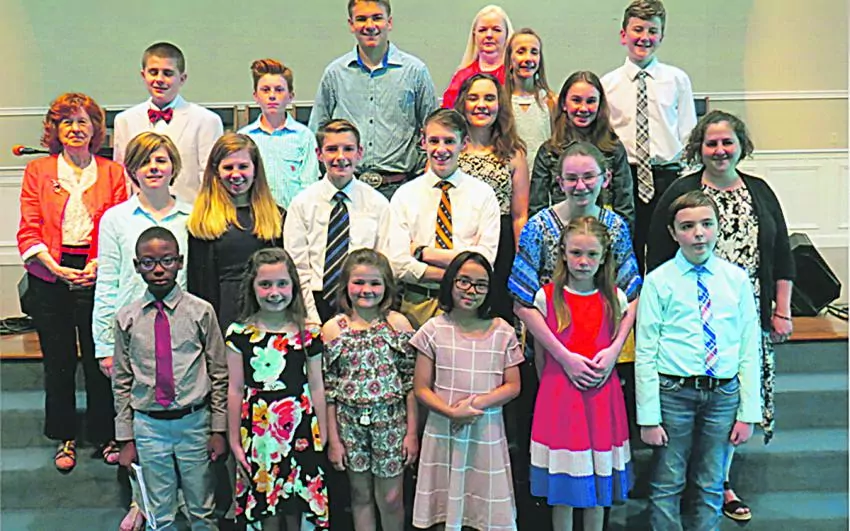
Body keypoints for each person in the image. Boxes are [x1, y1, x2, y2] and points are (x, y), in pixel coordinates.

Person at [645, 110, 796, 522]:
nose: (720, 150)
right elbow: (657, 255)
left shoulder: (759, 191)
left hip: (743, 316)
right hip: (688, 323)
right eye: (711, 143)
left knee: (730, 406)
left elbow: (782, 253)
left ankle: (720, 482)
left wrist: (781, 310)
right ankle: (690, 483)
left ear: (741, 146)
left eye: (727, 142)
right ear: (699, 148)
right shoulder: (682, 191)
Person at [509, 142, 641, 500]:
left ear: (605, 178)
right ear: (559, 181)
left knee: (597, 444)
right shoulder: (539, 226)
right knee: (556, 444)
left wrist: (614, 351)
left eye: (588, 177)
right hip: (550, 354)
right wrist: (563, 356)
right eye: (571, 178)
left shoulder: (615, 226)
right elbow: (522, 302)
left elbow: (631, 295)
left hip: (600, 352)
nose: (580, 185)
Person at [636, 191, 761, 530]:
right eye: (687, 226)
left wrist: (748, 412)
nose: (699, 233)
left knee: (711, 480)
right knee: (668, 480)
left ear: (718, 227)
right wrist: (648, 417)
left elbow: (749, 348)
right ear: (673, 232)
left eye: (707, 224)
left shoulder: (736, 280)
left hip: (723, 394)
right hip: (673, 392)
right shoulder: (659, 282)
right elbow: (645, 351)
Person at [16, 92, 127, 473]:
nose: (76, 128)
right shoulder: (39, 170)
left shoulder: (112, 172)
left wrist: (97, 264)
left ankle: (105, 433)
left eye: (83, 121)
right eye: (67, 122)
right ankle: (64, 433)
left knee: (101, 359)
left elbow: (116, 225)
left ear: (95, 129)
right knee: (59, 361)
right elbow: (29, 227)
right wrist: (56, 268)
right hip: (49, 273)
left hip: (99, 270)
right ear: (55, 129)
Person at [92, 132, 192, 531]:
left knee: (180, 422)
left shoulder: (191, 215)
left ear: (173, 167)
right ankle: (142, 501)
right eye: (145, 161)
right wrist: (104, 344)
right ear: (132, 169)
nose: (153, 167)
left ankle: (182, 500)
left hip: (180, 333)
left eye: (161, 160)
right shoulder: (116, 219)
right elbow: (108, 282)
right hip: (133, 333)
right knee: (139, 423)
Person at [112, 227, 228, 530]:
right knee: (159, 513)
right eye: (148, 262)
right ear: (137, 266)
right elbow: (121, 380)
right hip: (148, 426)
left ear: (180, 262)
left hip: (194, 422)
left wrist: (218, 428)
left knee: (202, 508)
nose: (159, 269)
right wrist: (125, 437)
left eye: (167, 260)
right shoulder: (127, 318)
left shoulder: (201, 312)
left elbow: (219, 372)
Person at [530, 216, 632, 531]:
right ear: (562, 253)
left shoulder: (615, 298)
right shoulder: (546, 297)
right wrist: (552, 393)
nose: (583, 262)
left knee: (597, 487)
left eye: (591, 254)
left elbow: (616, 349)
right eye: (576, 253)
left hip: (601, 401)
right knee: (562, 489)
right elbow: (541, 357)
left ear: (604, 257)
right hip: (559, 400)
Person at [411, 251, 523, 530]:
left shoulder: (503, 331)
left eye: (480, 285)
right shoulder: (433, 329)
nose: (471, 290)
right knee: (444, 506)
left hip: (485, 429)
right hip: (444, 428)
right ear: (450, 282)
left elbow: (513, 385)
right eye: (463, 281)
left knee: (483, 505)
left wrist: (475, 405)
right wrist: (451, 412)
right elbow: (421, 388)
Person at [225, 248, 329, 529]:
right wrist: (234, 440)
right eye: (265, 284)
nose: (274, 292)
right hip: (259, 435)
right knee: (266, 507)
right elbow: (235, 389)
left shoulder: (310, 334)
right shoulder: (239, 334)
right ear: (252, 287)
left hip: (302, 432)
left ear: (294, 285)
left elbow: (317, 386)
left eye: (282, 283)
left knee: (296, 505)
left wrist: (323, 435)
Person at [322, 249, 418, 531]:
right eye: (359, 282)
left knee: (391, 498)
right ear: (346, 286)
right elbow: (329, 391)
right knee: (359, 494)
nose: (367, 290)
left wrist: (412, 434)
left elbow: (411, 382)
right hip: (349, 425)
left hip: (391, 423)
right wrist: (334, 441)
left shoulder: (397, 324)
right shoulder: (333, 329)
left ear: (386, 286)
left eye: (375, 283)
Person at [601, 0, 696, 273]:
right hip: (625, 179)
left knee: (666, 249)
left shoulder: (677, 80)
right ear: (624, 35)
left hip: (667, 176)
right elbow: (605, 139)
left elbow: (688, 134)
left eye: (652, 31)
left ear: (661, 36)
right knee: (626, 249)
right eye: (638, 29)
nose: (645, 37)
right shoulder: (608, 84)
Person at [309, 0, 437, 198]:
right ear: (351, 24)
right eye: (361, 19)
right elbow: (317, 132)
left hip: (401, 188)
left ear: (389, 22)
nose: (370, 26)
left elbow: (434, 129)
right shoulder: (335, 74)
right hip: (347, 186)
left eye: (377, 18)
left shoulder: (415, 72)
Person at [387, 108, 500, 328]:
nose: (441, 149)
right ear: (423, 142)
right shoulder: (404, 195)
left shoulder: (483, 194)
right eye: (434, 141)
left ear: (464, 143)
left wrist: (422, 252)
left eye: (449, 141)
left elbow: (485, 260)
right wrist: (459, 275)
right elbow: (398, 264)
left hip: (468, 302)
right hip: (418, 301)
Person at [284, 119, 391, 324]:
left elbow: (384, 264)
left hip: (364, 301)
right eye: (332, 149)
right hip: (315, 301)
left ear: (359, 153)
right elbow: (297, 268)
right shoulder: (302, 204)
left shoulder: (378, 204)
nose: (340, 157)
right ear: (319, 154)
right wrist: (311, 317)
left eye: (348, 149)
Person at [187, 133, 284, 333]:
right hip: (221, 317)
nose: (236, 174)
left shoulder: (278, 217)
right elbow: (197, 286)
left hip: (268, 315)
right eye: (228, 167)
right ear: (216, 172)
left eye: (243, 166)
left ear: (255, 170)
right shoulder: (201, 222)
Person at [454, 72, 529, 320]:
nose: (481, 105)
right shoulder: (449, 149)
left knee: (496, 314)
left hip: (501, 244)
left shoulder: (513, 153)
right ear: (463, 103)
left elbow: (520, 215)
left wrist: (522, 261)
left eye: (489, 98)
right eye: (473, 98)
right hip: (458, 238)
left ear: (500, 105)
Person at [113, 41, 223, 204]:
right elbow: (124, 177)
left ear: (182, 78)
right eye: (153, 72)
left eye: (168, 73)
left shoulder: (206, 121)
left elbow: (210, 179)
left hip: (190, 212)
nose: (159, 79)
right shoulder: (124, 120)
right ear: (143, 75)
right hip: (138, 212)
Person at [530, 71, 635, 231]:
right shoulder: (548, 152)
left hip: (604, 238)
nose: (583, 108)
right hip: (559, 238)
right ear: (564, 104)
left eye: (591, 101)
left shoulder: (614, 149)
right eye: (576, 100)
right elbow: (537, 209)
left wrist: (617, 241)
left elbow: (625, 208)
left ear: (600, 105)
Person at [238, 58, 320, 209]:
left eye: (279, 90)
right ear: (255, 96)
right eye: (265, 90)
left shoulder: (304, 136)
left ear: (290, 96)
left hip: (294, 215)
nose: (272, 95)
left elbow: (309, 186)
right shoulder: (244, 137)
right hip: (255, 214)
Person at [504, 28, 555, 181]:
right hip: (510, 180)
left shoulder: (551, 102)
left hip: (543, 181)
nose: (528, 58)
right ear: (510, 59)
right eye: (521, 52)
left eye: (534, 52)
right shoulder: (500, 103)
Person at [441, 5, 514, 109]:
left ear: (506, 34)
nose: (489, 35)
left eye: (496, 30)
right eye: (482, 30)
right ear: (474, 34)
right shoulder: (461, 77)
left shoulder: (515, 76)